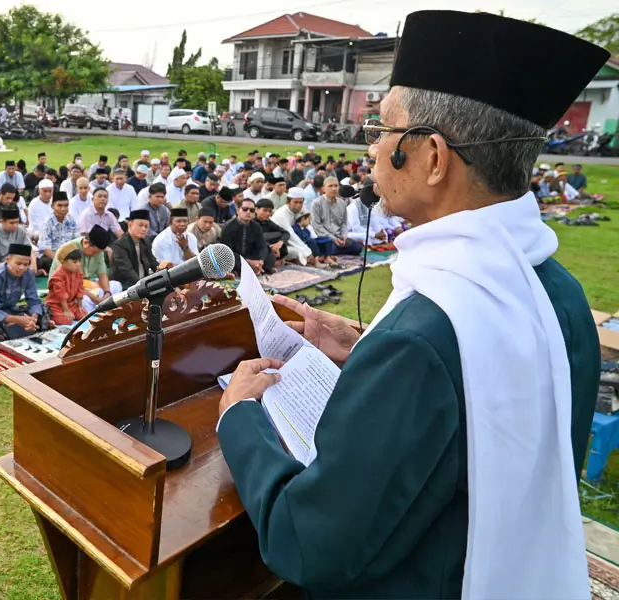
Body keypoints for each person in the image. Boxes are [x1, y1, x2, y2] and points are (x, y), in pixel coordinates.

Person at [216, 11, 607, 599]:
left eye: (383, 128)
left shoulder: (421, 338)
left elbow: (310, 542)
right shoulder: (560, 292)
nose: (372, 148)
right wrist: (364, 349)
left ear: (431, 157)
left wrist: (240, 415)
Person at [0, 244, 51, 340]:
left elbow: (34, 301)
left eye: (26, 264)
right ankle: (15, 327)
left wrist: (34, 318)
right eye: (18, 263)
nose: (22, 268)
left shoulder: (29, 273)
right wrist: (17, 319)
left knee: (44, 308)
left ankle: (26, 324)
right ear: (7, 260)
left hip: (10, 309)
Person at [110, 209, 161, 291]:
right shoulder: (120, 244)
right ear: (130, 225)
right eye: (140, 225)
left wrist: (163, 276)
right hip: (124, 285)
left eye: (146, 226)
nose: (143, 229)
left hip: (143, 282)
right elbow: (127, 270)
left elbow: (153, 263)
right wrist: (143, 286)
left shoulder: (145, 241)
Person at [311, 176, 363, 256]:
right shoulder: (316, 203)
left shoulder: (342, 203)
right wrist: (333, 238)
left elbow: (344, 223)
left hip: (339, 237)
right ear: (324, 189)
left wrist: (344, 236)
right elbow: (317, 226)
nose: (333, 189)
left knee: (357, 248)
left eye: (336, 186)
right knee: (331, 248)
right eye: (330, 186)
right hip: (324, 238)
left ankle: (334, 251)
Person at [221, 196, 271, 275]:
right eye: (245, 209)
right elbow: (227, 251)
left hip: (252, 257)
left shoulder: (256, 226)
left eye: (251, 210)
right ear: (238, 211)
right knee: (229, 258)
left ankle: (258, 268)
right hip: (236, 258)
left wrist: (261, 261)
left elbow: (262, 245)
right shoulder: (228, 227)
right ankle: (256, 270)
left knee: (269, 253)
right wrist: (248, 262)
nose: (248, 212)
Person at [272, 188, 317, 265]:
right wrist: (307, 252)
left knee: (314, 242)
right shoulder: (281, 214)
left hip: (295, 240)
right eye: (295, 202)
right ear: (288, 202)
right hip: (281, 245)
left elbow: (308, 225)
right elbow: (291, 236)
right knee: (300, 252)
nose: (299, 205)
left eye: (301, 202)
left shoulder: (301, 209)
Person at [37, 192, 79, 274]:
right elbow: (45, 249)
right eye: (59, 205)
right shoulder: (46, 223)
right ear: (52, 206)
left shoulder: (71, 220)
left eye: (66, 205)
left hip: (70, 256)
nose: (63, 209)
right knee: (46, 262)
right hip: (53, 257)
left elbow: (77, 241)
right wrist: (61, 261)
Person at [46, 249, 88, 326]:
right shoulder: (58, 275)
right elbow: (61, 295)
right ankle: (50, 316)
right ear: (63, 262)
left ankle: (70, 312)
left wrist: (80, 306)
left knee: (84, 315)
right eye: (74, 262)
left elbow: (80, 288)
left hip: (71, 303)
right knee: (67, 321)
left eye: (79, 261)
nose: (78, 264)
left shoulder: (78, 271)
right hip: (56, 305)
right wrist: (66, 310)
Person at [254, 198, 290, 267]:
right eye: (264, 210)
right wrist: (271, 247)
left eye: (270, 211)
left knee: (279, 235)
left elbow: (286, 233)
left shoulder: (268, 222)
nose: (267, 213)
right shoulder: (252, 222)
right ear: (257, 209)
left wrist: (279, 244)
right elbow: (256, 239)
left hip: (271, 248)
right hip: (257, 249)